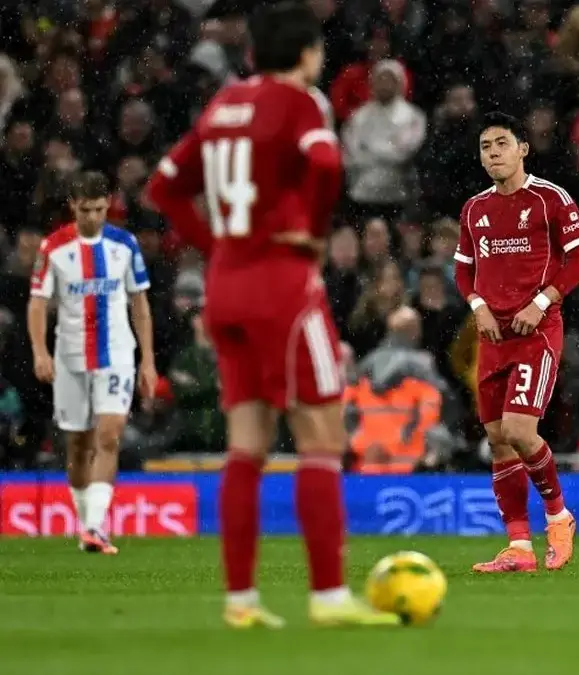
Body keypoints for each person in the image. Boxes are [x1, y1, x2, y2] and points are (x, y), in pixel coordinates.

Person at [142, 3, 396, 628]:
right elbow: (328, 163)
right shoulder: (301, 102)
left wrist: (216, 243)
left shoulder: (223, 106)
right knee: (321, 439)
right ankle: (330, 597)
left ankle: (240, 602)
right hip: (281, 284)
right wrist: (309, 235)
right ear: (306, 52)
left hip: (225, 287)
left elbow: (162, 188)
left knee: (247, 445)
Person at [453, 111, 579, 573]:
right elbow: (463, 269)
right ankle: (518, 547)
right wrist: (477, 306)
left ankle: (559, 516)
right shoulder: (475, 208)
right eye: (485, 147)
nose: (493, 153)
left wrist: (541, 302)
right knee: (497, 441)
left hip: (536, 332)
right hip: (493, 337)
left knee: (518, 430)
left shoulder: (550, 198)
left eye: (501, 144)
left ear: (522, 150)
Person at [28, 171, 157, 555]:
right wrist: (40, 351)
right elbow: (37, 302)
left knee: (110, 434)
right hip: (70, 357)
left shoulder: (125, 244)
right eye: (86, 210)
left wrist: (147, 360)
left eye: (101, 209)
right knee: (78, 444)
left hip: (117, 354)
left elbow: (140, 304)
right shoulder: (53, 248)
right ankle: (87, 525)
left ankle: (96, 527)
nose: (94, 218)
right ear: (73, 206)